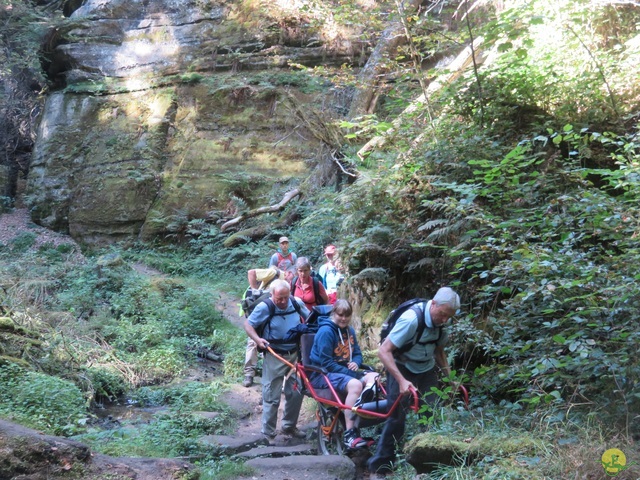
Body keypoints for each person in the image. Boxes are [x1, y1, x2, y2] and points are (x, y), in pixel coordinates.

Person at [367, 287, 460, 475]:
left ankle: (426, 464)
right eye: (442, 314)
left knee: (430, 414)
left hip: (426, 368)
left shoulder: (442, 324)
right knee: (396, 418)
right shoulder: (411, 320)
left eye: (448, 317)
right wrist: (401, 380)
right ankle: (380, 467)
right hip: (401, 366)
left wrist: (451, 379)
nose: (444, 320)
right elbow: (384, 351)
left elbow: (439, 351)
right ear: (433, 304)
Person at [244, 280, 310, 441]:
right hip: (274, 354)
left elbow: (310, 319)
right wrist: (258, 340)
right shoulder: (265, 307)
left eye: (285, 297)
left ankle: (289, 427)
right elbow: (248, 324)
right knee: (271, 396)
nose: (282, 301)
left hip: (295, 354)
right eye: (279, 298)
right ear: (272, 295)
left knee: (296, 392)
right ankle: (268, 433)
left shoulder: (296, 302)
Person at [308, 299, 379, 449]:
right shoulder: (326, 332)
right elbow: (326, 363)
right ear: (334, 313)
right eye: (340, 315)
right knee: (355, 384)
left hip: (344, 371)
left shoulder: (350, 330)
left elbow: (358, 353)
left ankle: (364, 405)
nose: (344, 318)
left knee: (375, 376)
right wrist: (352, 374)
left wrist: (357, 363)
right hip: (323, 374)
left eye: (347, 315)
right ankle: (350, 433)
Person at [242, 266, 295, 388]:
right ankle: (249, 374)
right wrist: (255, 291)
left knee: (268, 346)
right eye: (292, 276)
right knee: (253, 342)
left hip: (275, 314)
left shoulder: (289, 285)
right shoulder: (274, 272)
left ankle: (269, 380)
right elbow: (251, 272)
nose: (292, 280)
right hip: (261, 310)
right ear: (288, 272)